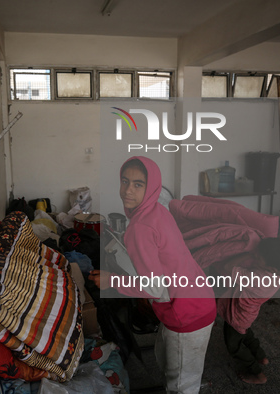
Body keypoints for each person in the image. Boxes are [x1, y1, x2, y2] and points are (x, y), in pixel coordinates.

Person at [89, 156, 217, 394]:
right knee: (170, 364)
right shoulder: (157, 210)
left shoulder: (140, 227)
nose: (128, 190)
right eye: (125, 181)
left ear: (152, 187)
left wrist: (111, 280)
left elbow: (153, 288)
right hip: (197, 297)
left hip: (187, 313)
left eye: (138, 184)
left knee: (181, 386)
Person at [215, 237, 280, 384]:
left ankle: (257, 374)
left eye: (259, 256)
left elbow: (228, 267)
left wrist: (249, 254)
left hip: (237, 316)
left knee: (234, 346)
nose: (256, 256)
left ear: (270, 267)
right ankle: (261, 356)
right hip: (247, 315)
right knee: (246, 334)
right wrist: (259, 257)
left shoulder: (257, 279)